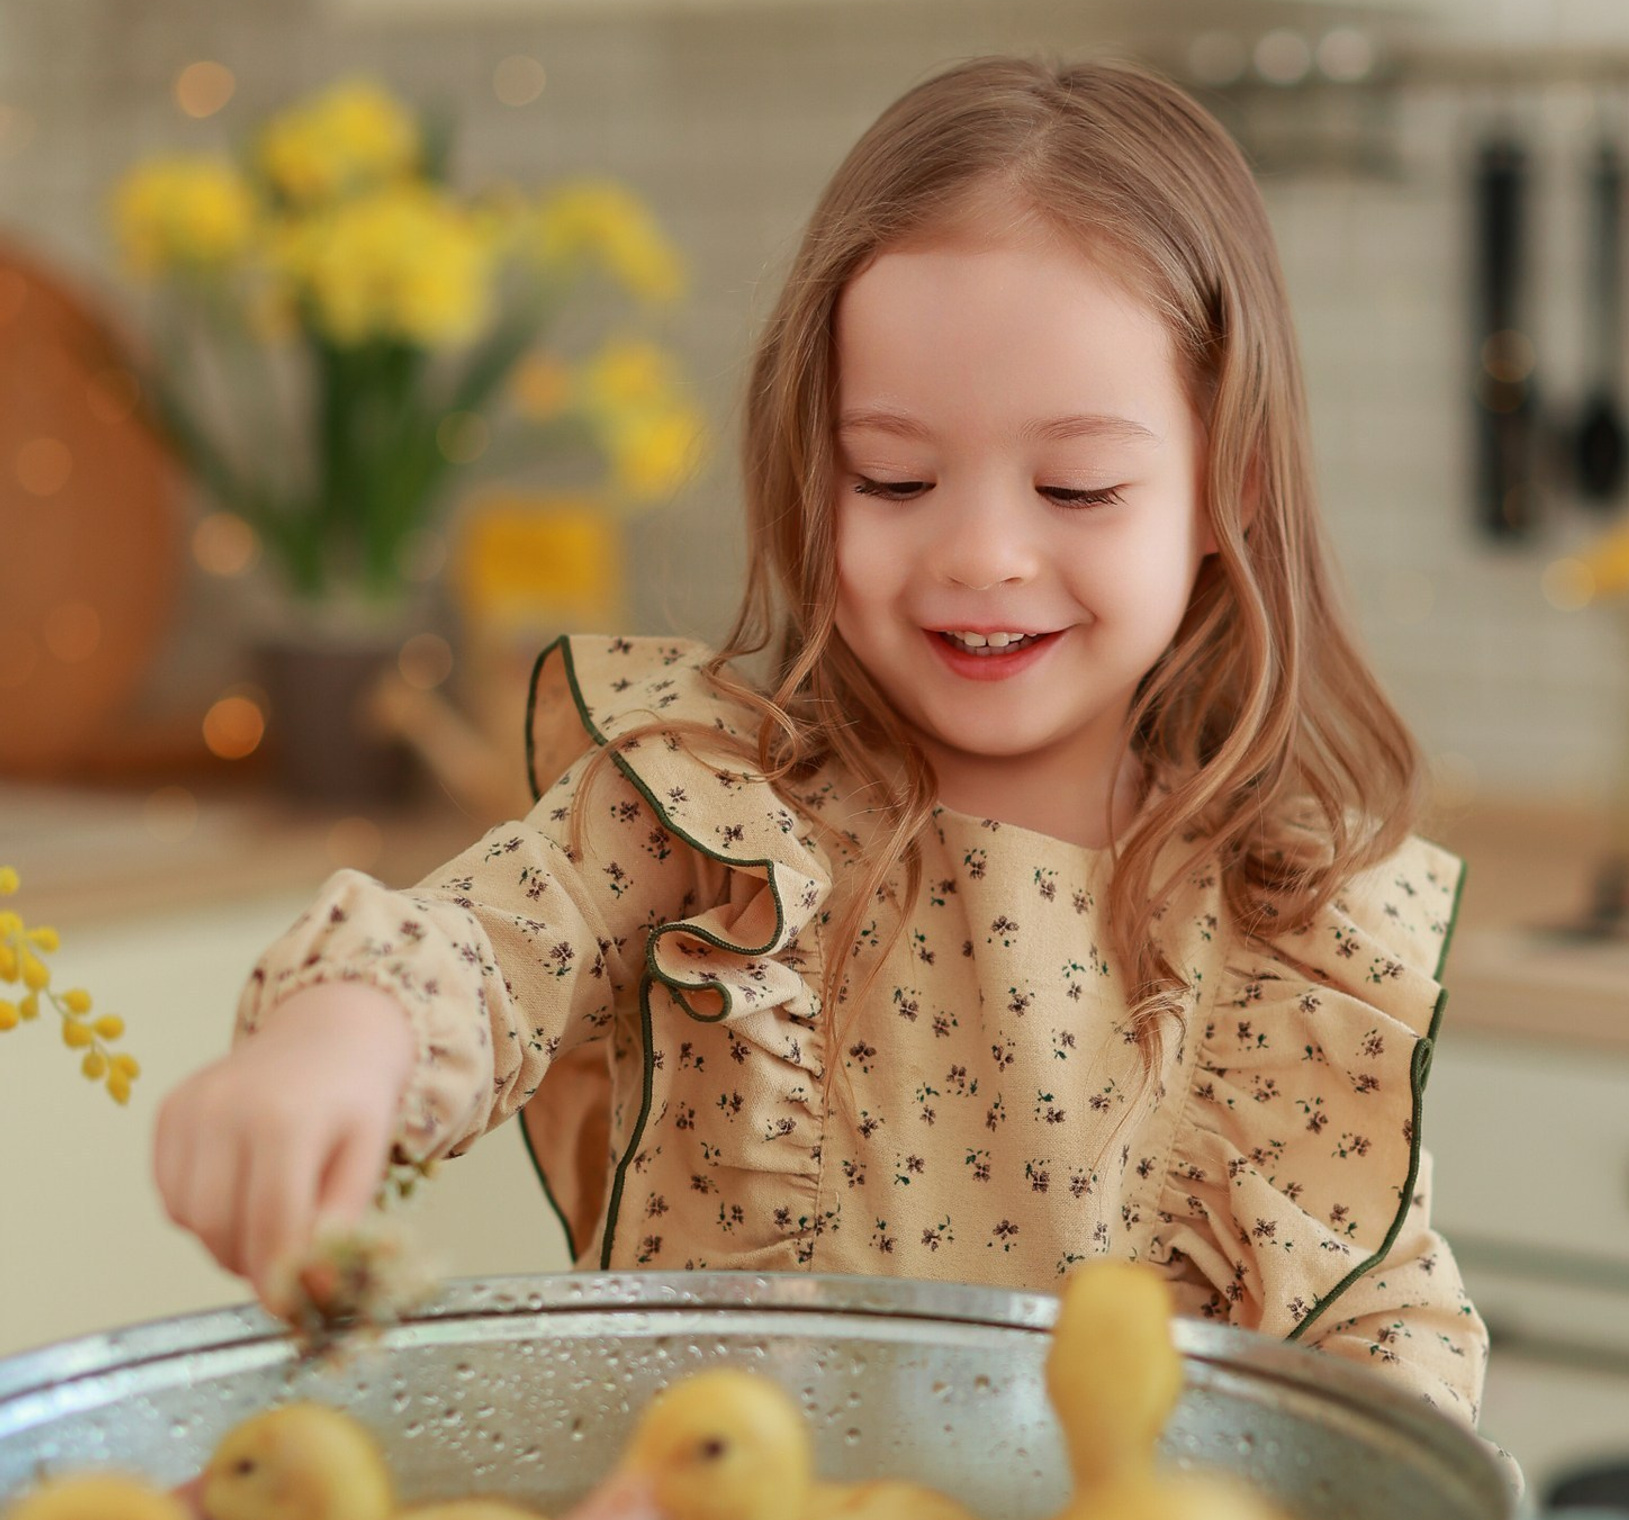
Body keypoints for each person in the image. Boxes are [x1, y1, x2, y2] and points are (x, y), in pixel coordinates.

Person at [154, 54, 1488, 1428]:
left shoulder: (1290, 927)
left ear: (1229, 484)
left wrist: (1407, 1453)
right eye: (892, 478)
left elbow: (1380, 1313)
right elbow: (481, 948)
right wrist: (341, 1034)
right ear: (813, 462)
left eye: (1077, 486)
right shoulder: (705, 807)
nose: (980, 552)